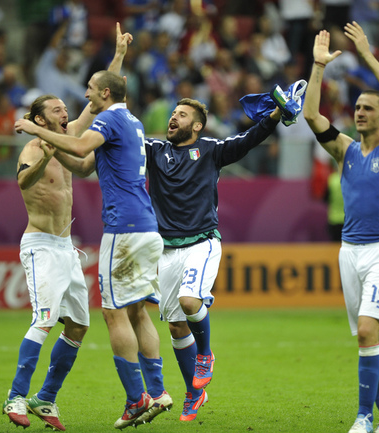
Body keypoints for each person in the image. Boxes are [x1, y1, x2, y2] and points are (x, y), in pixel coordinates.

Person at [110, 35, 283, 422]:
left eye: (183, 115)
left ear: (198, 125)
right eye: (173, 113)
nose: (174, 117)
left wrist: (275, 115)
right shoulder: (155, 151)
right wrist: (117, 73)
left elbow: (250, 139)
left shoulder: (211, 150)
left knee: (190, 303)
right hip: (165, 251)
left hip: (202, 242)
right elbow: (121, 123)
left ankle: (206, 354)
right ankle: (194, 392)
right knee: (175, 325)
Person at [14, 22, 173, 431]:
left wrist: (36, 129)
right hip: (143, 226)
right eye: (57, 109)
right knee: (135, 313)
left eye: (88, 90)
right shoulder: (128, 119)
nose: (78, 101)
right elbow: (83, 165)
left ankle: (136, 400)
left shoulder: (96, 124)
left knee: (112, 314)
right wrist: (118, 56)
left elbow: (85, 137)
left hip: (122, 227)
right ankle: (156, 391)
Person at [2, 22, 131, 433]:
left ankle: (46, 398)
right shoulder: (32, 147)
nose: (66, 112)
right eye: (57, 109)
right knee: (43, 319)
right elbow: (23, 183)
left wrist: (118, 56)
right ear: (40, 118)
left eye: (64, 109)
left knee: (78, 325)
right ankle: (15, 396)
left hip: (65, 246)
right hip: (40, 245)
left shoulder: (70, 134)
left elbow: (102, 99)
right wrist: (44, 153)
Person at [303, 22, 379, 433]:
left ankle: (365, 417)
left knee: (367, 330)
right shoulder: (345, 150)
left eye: (368, 108)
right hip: (350, 252)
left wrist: (366, 55)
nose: (359, 112)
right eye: (358, 107)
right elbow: (311, 115)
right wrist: (318, 66)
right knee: (373, 340)